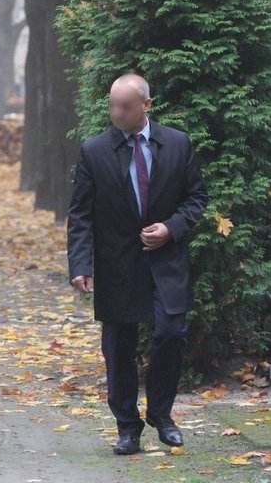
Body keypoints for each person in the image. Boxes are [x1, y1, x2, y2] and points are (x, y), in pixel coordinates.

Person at [67, 74, 208, 455]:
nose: (117, 113)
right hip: (117, 264)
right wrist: (81, 264)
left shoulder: (177, 144)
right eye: (113, 105)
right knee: (118, 348)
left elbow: (196, 198)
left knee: (171, 334)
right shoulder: (94, 151)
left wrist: (172, 227)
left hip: (165, 261)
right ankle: (127, 427)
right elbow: (81, 214)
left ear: (146, 105)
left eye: (125, 106)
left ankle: (161, 415)